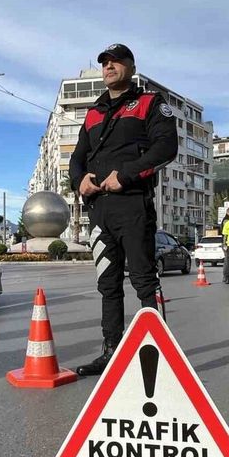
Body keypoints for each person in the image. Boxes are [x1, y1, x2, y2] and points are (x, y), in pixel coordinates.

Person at [68, 43, 177, 376]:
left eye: (116, 62)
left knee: (145, 282)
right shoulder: (94, 112)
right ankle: (111, 352)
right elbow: (77, 157)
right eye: (104, 63)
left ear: (131, 67)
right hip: (100, 212)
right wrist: (79, 181)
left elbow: (165, 148)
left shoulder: (149, 104)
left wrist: (126, 175)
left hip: (133, 207)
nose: (109, 67)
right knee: (108, 284)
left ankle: (160, 355)